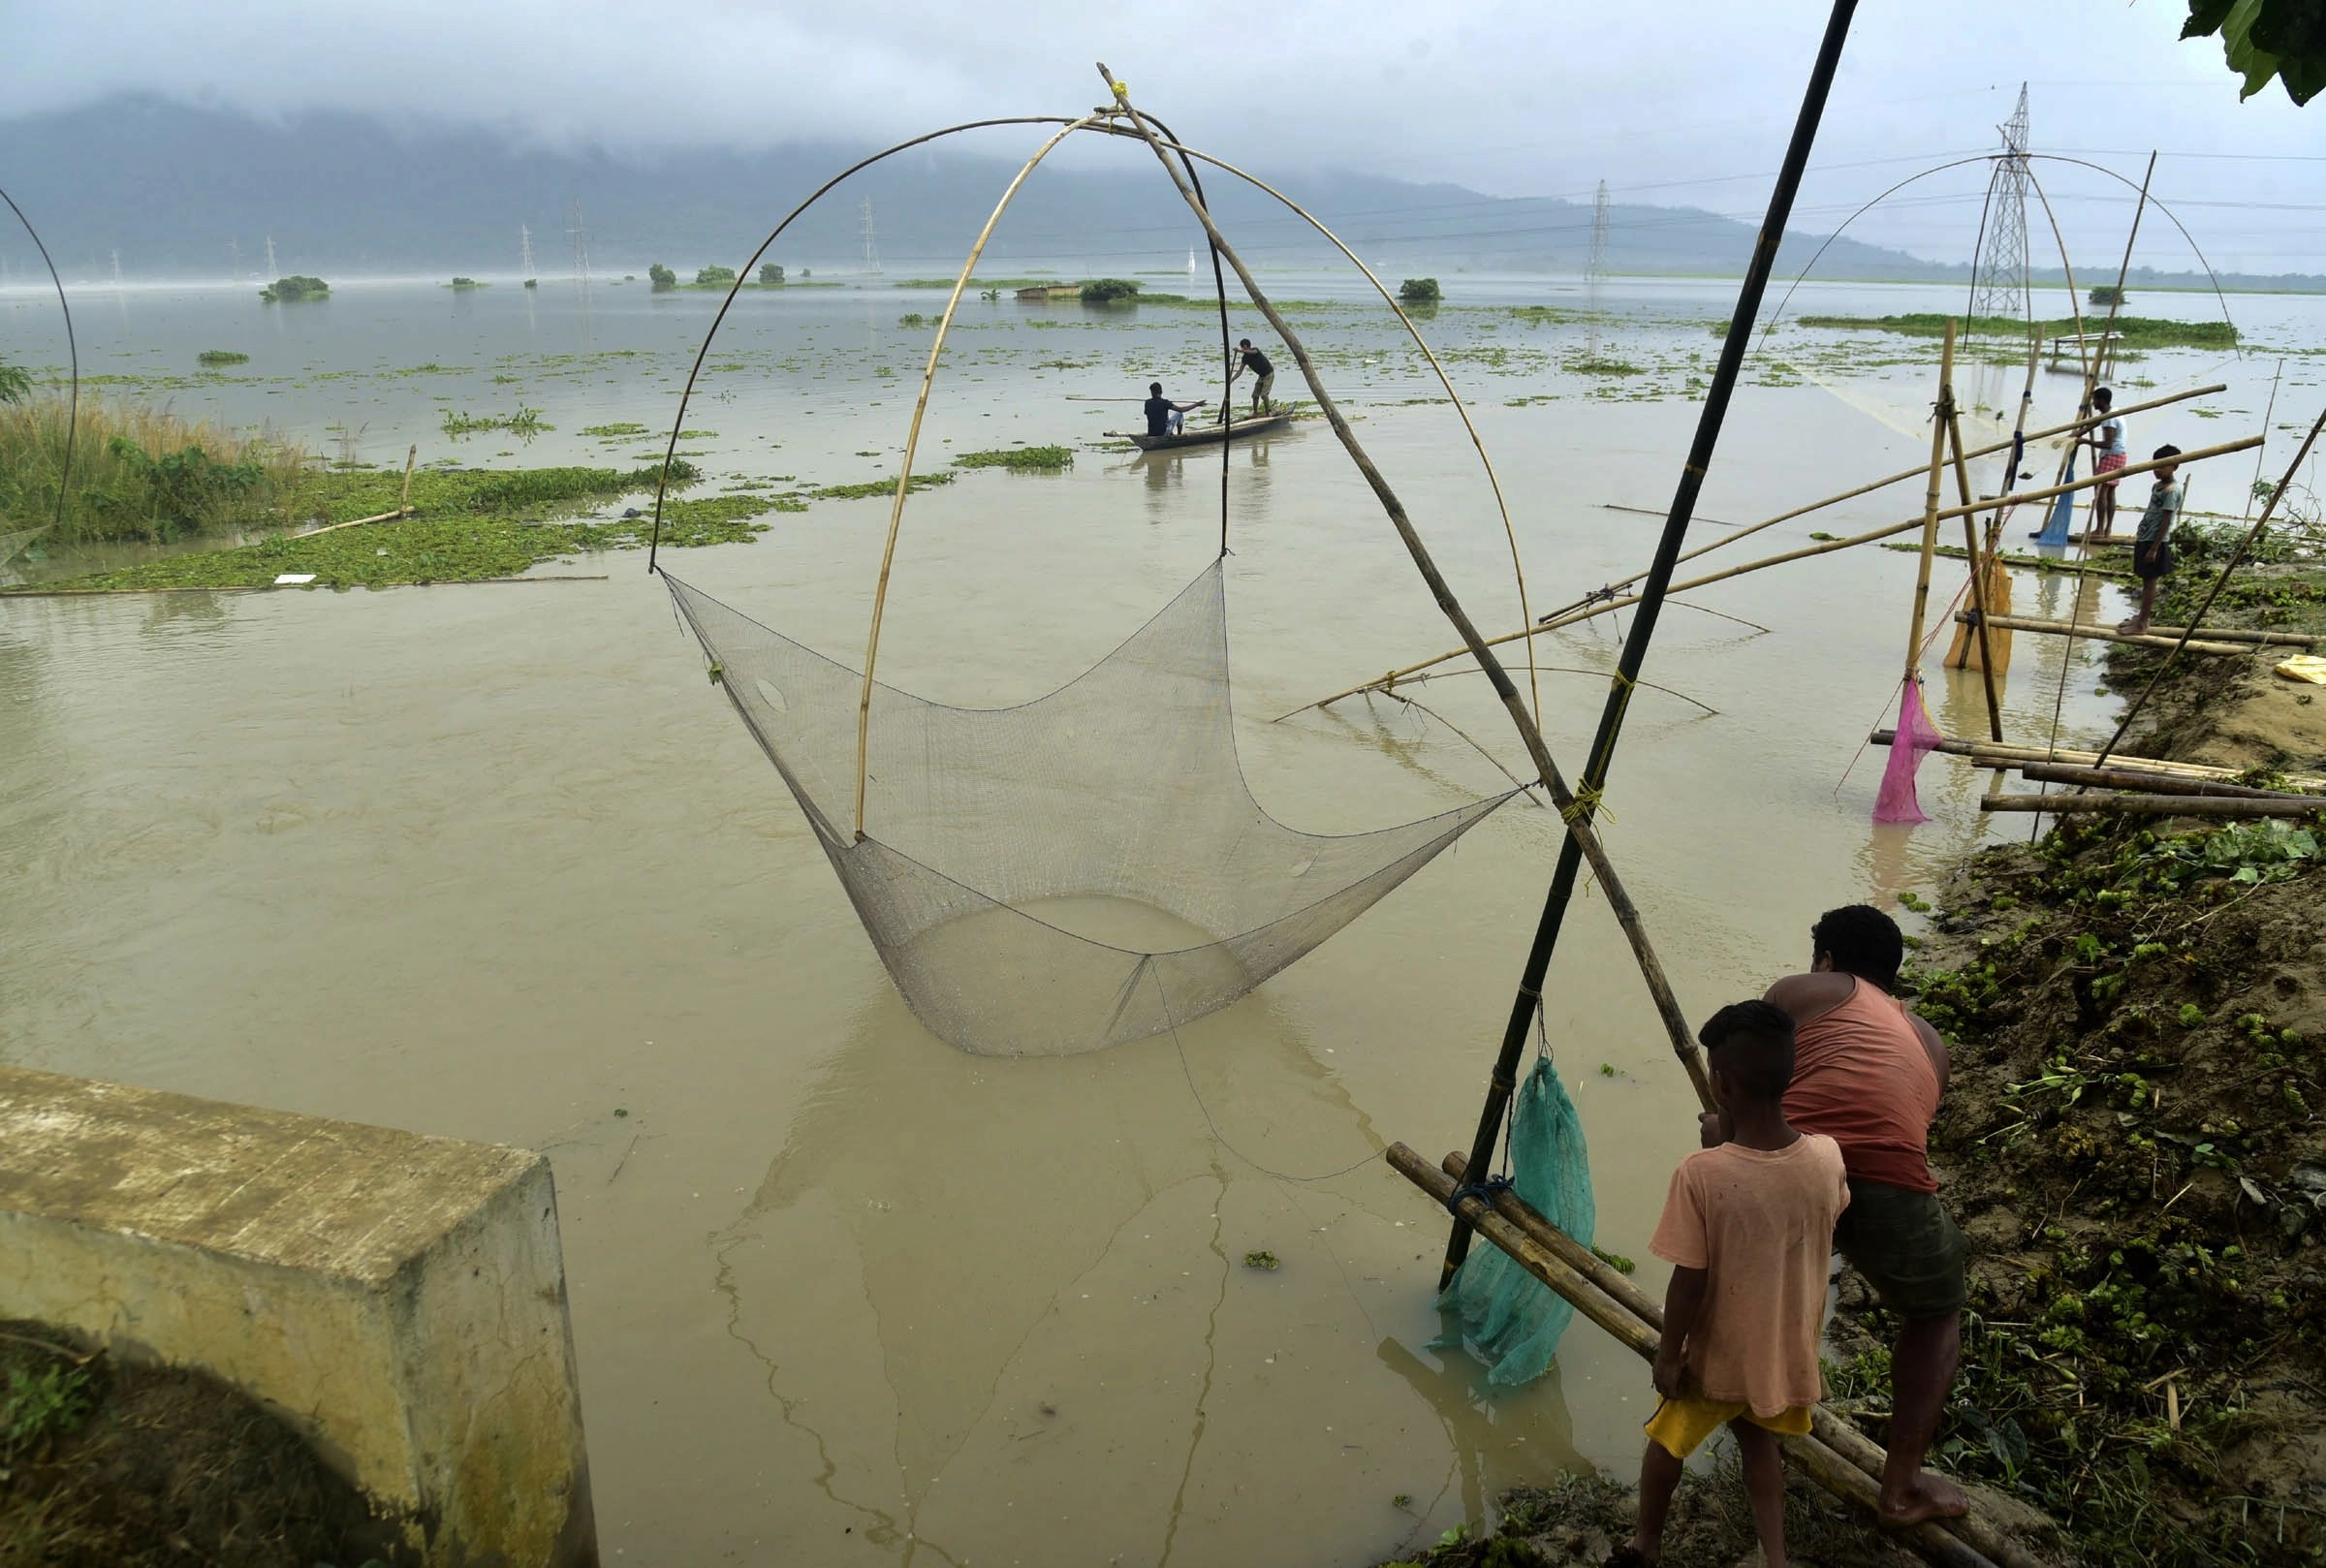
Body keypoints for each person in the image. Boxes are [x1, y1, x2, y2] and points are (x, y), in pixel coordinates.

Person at [1748, 904, 1969, 1528]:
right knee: (1935, 1314)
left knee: (1759, 1281)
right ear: (1893, 976)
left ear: (1826, 960)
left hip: (1792, 1164)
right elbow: (1901, 1131)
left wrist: (1726, 1132)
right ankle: (1900, 1487)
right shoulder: (1932, 1044)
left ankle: (1737, 1409)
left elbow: (1747, 1073)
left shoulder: (1804, 991)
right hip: (1887, 1182)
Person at [1613, 1001, 1848, 1568]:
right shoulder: (1826, 1156)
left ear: (1719, 1083)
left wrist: (1671, 1355)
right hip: (1780, 1353)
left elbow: (1689, 1280)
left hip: (1717, 1359)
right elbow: (1807, 1212)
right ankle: (1776, 1557)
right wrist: (1731, 1137)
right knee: (1757, 1441)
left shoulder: (1702, 1172)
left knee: (1667, 1440)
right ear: (1789, 1075)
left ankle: (1645, 1544)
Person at [2122, 444, 2184, 636]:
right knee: (2144, 578)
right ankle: (2141, 618)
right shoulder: (2157, 487)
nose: (2156, 470)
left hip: (2156, 542)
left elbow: (2165, 522)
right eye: (2154, 465)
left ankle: (2141, 624)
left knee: (2150, 582)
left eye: (2161, 466)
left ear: (2173, 466)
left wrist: (2154, 548)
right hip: (2145, 537)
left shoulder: (2172, 491)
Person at [2084, 388, 2128, 539]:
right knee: (2110, 491)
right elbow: (2092, 424)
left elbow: (2108, 443)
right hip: (2120, 455)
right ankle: (2107, 529)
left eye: (2094, 399)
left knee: (2101, 491)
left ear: (2101, 400)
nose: (2093, 403)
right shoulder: (2113, 412)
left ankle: (2099, 530)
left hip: (2111, 454)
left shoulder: (2109, 418)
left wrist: (2086, 442)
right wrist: (2073, 435)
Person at [1228, 337, 1275, 415]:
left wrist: (1239, 351)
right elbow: (1240, 371)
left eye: (1242, 347)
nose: (1242, 348)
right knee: (1255, 395)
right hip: (1261, 376)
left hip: (1268, 374)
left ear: (1246, 346)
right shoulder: (1245, 358)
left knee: (1263, 395)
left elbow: (1253, 352)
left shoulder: (1255, 350)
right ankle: (1255, 413)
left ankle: (1268, 412)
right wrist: (1232, 379)